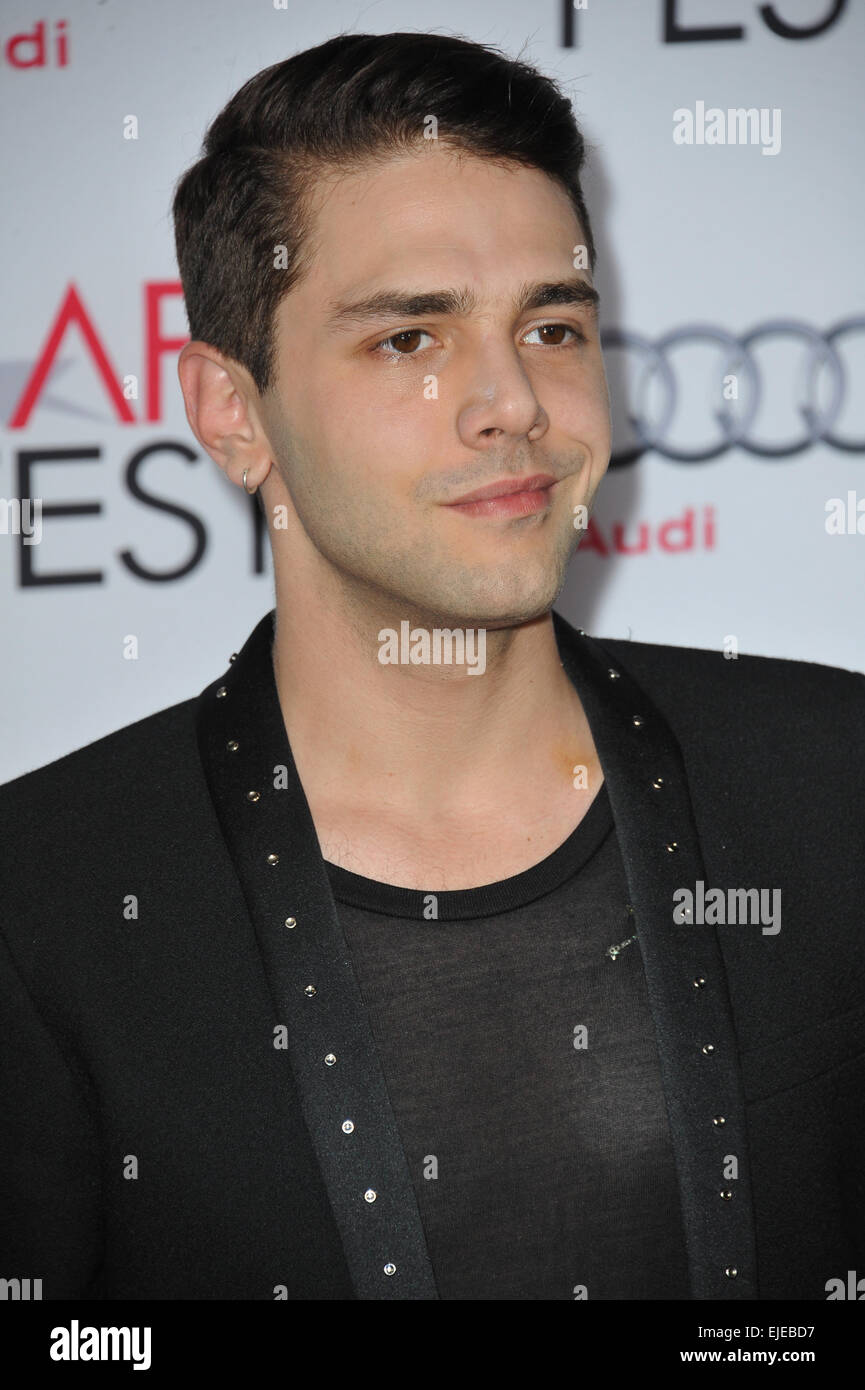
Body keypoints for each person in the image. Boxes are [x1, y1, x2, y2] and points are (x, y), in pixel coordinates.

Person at [1, 30, 863, 1303]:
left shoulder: (832, 776)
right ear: (234, 413)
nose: (512, 400)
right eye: (410, 339)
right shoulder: (45, 897)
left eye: (554, 325)